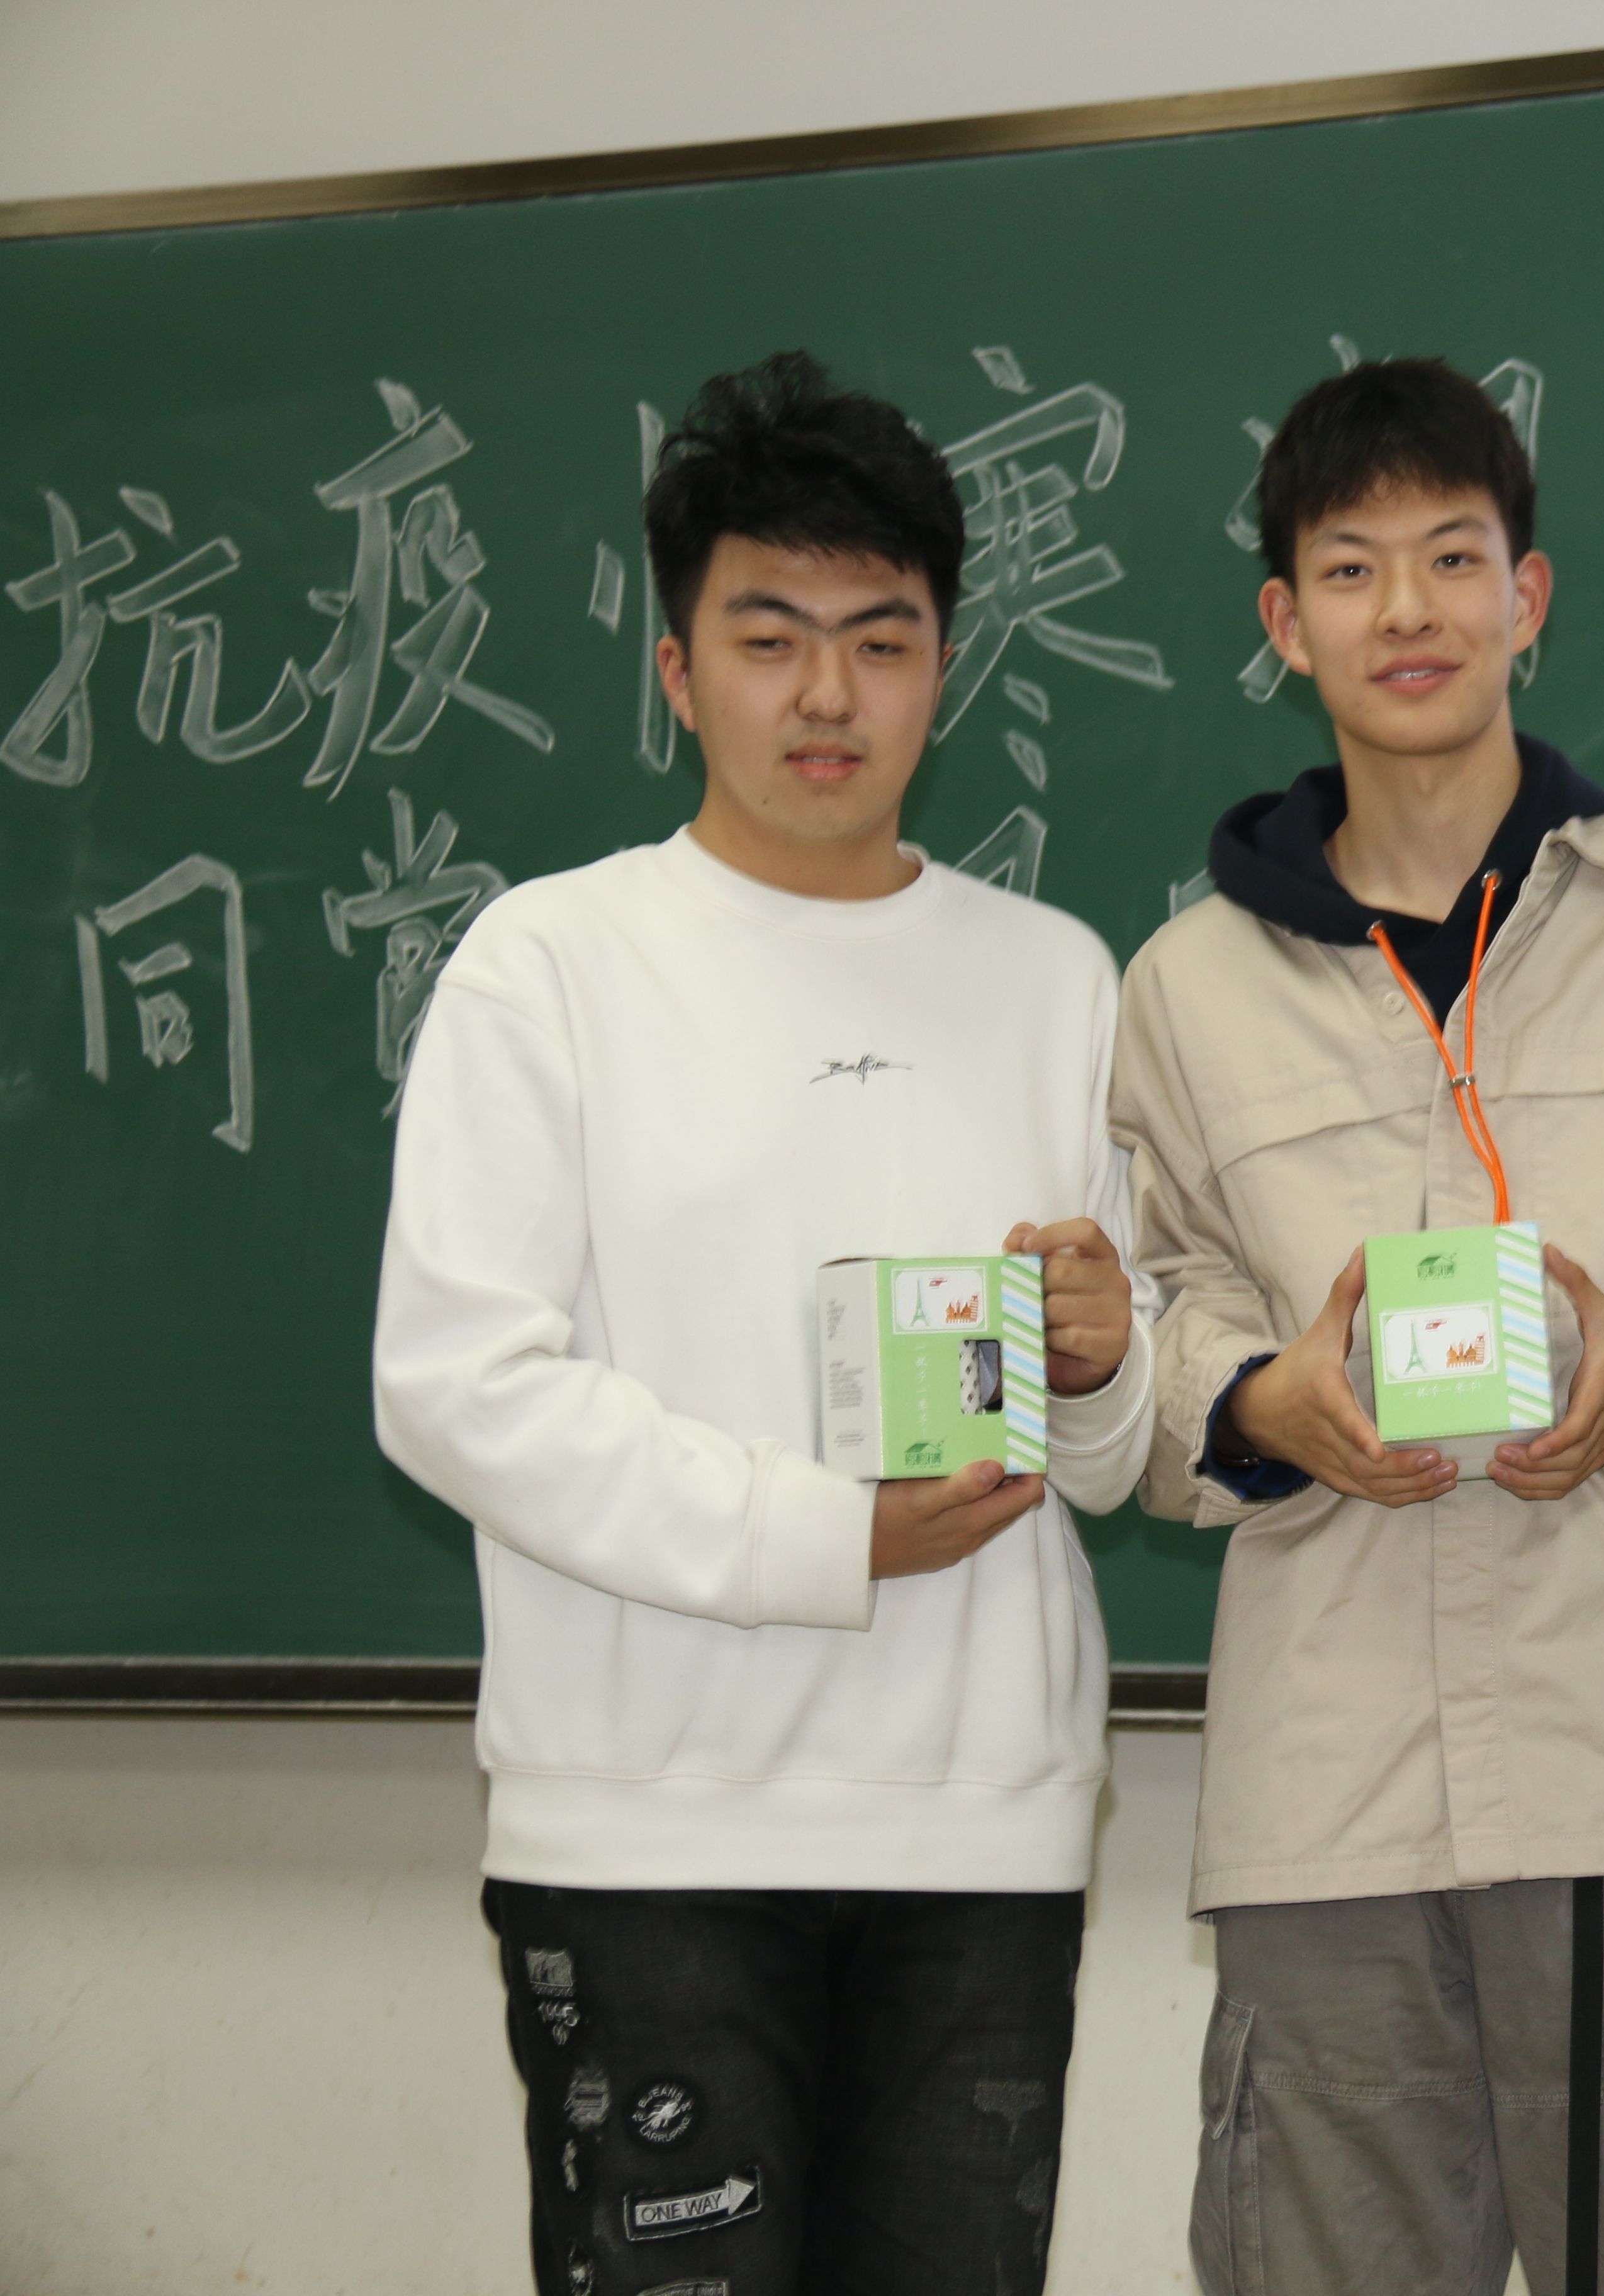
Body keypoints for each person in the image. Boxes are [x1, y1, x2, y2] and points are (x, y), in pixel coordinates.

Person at [372, 352, 1158, 2296]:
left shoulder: (1058, 979)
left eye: (880, 641)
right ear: (676, 668)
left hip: (982, 1837)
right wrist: (829, 1536)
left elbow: (1108, 1448)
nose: (827, 695)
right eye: (769, 637)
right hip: (647, 1839)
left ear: (946, 662)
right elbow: (456, 1387)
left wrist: (1098, 1359)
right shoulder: (549, 966)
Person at [1111, 356, 1604, 2296]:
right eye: (1352, 569)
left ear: (1532, 594)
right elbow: (1150, 1326)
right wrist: (1260, 1400)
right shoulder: (1183, 985)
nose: (1407, 609)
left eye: (1452, 556)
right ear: (1284, 624)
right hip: (1324, 1787)